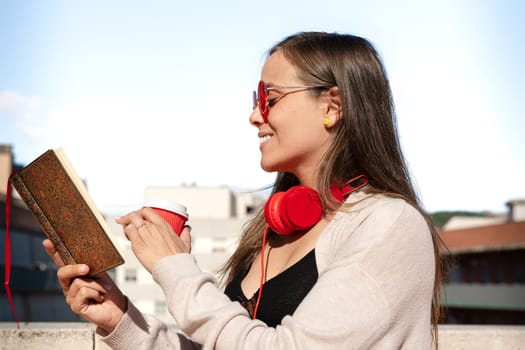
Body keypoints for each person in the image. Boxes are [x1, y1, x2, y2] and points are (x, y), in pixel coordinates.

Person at [43, 31, 444, 349]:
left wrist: (175, 269)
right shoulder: (272, 229)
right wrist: (120, 320)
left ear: (332, 107)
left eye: (269, 99)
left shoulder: (389, 224)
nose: (255, 116)